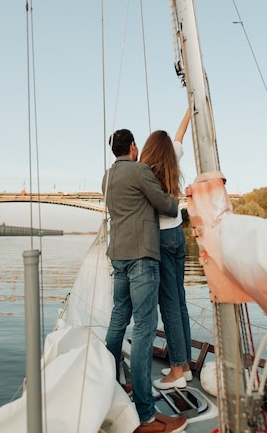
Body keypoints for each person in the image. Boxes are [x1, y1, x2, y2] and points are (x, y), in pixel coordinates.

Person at [102, 128, 187, 433]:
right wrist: (175, 200)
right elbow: (165, 205)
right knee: (144, 330)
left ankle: (110, 386)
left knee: (117, 323)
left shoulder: (107, 177)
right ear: (134, 147)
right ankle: (146, 414)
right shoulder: (139, 172)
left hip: (119, 258)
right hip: (142, 258)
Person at [139, 109, 193, 390]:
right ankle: (185, 365)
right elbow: (180, 134)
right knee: (180, 300)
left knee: (168, 303)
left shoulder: (145, 171)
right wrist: (189, 111)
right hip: (179, 235)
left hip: (160, 238)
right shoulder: (174, 155)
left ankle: (175, 372)